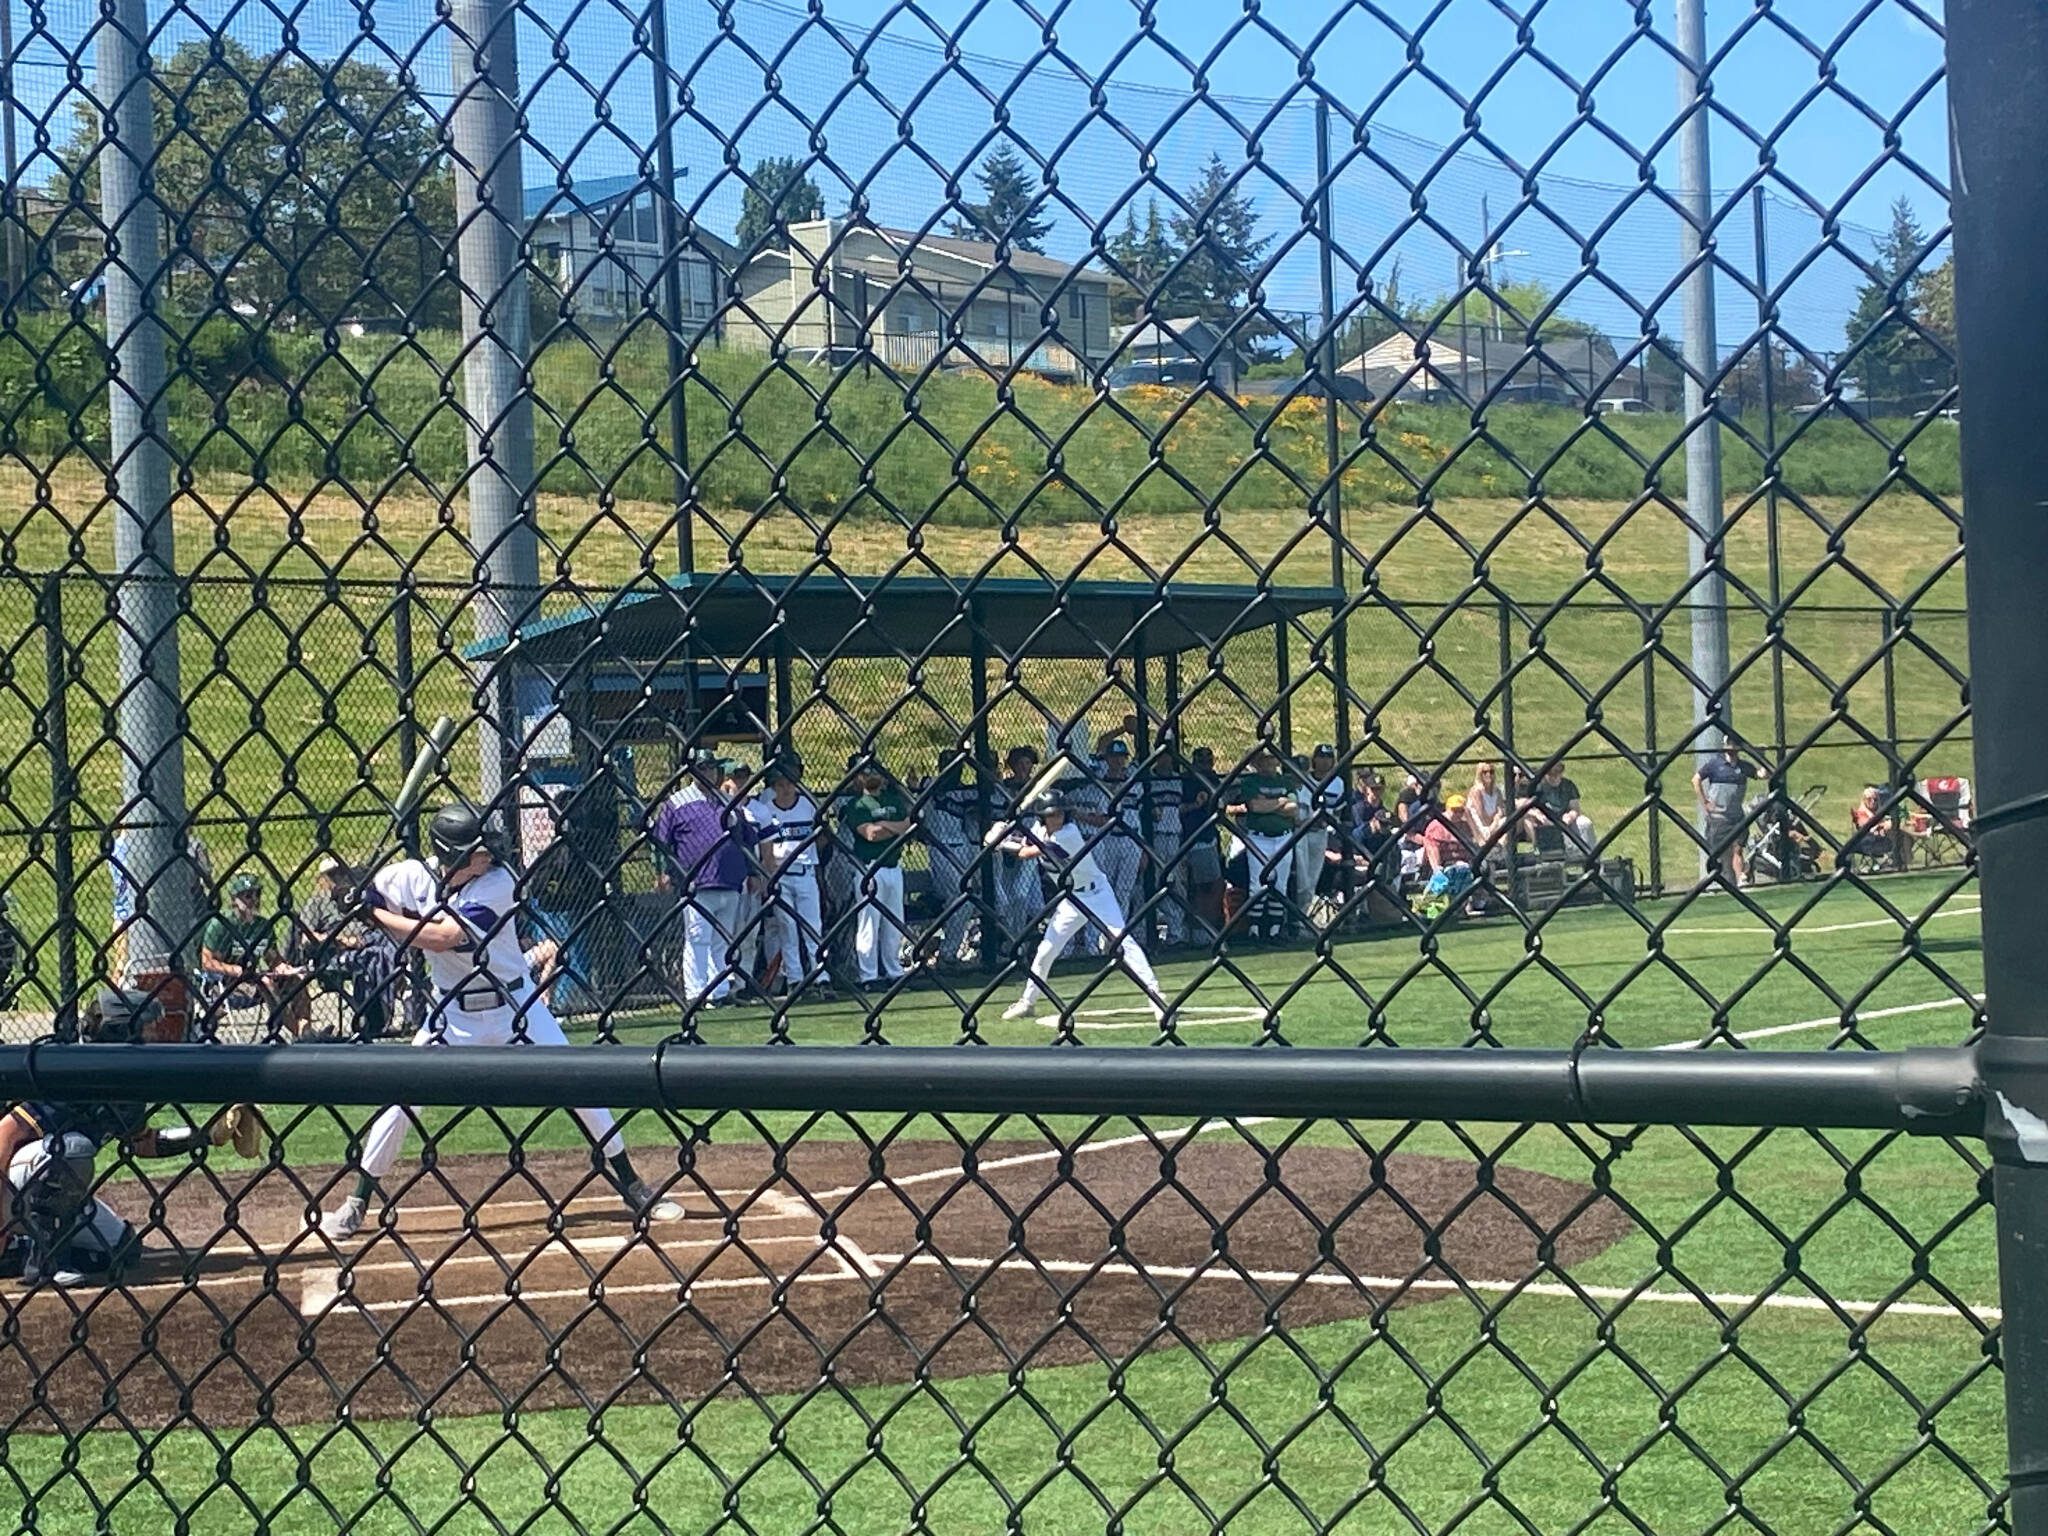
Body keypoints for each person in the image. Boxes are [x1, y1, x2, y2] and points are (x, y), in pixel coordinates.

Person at [319, 805, 684, 1240]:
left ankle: (632, 1184)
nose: (489, 855)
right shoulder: (412, 876)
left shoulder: (499, 883)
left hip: (516, 1007)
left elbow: (442, 938)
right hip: (449, 1015)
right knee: (401, 1101)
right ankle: (358, 1200)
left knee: (580, 1083)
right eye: (477, 851)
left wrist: (372, 914)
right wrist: (357, 894)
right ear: (449, 856)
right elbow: (366, 888)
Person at [0, 988, 260, 1285]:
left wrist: (205, 1136)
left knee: (121, 1249)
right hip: (10, 1179)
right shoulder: (76, 1072)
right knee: (72, 1149)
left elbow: (143, 1143)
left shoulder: (126, 1087)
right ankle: (45, 1263)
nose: (154, 1036)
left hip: (44, 1187)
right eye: (146, 1028)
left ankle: (18, 1251)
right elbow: (4, 1134)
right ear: (120, 1031)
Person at [992, 793, 1167, 1025]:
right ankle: (1028, 1001)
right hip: (1071, 898)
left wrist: (1002, 841)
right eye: (1052, 815)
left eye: (1061, 814)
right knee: (1046, 950)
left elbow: (1028, 852)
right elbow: (1027, 841)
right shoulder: (1039, 828)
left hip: (1097, 894)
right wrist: (1010, 832)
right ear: (1043, 817)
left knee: (1122, 940)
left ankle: (1155, 995)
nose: (1058, 818)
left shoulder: (1069, 834)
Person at [651, 752, 757, 1011]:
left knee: (722, 939)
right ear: (691, 771)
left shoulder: (726, 800)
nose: (708, 772)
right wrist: (663, 871)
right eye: (703, 768)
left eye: (711, 768)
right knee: (698, 938)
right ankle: (696, 992)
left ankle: (718, 990)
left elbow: (746, 837)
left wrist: (752, 872)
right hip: (696, 882)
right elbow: (661, 841)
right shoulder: (677, 802)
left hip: (730, 879)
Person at [290, 857, 398, 1040]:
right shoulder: (317, 902)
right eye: (331, 874)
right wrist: (342, 940)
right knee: (372, 956)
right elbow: (306, 939)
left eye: (340, 872)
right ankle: (370, 1017)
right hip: (333, 953)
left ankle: (383, 1012)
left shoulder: (353, 896)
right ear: (322, 879)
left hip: (366, 943)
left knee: (388, 947)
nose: (337, 877)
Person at [746, 755, 825, 997]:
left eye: (789, 782)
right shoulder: (767, 811)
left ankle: (821, 976)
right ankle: (795, 978)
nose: (785, 787)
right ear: (773, 787)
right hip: (779, 874)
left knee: (813, 925)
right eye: (780, 784)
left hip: (805, 871)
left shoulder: (808, 805)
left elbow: (821, 837)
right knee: (787, 928)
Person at [198, 873, 312, 1039]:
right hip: (227, 983)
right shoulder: (221, 925)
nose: (253, 900)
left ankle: (307, 1030)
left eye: (257, 894)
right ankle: (303, 1037)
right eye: (247, 896)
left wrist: (288, 970)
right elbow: (207, 962)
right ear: (233, 900)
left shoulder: (262, 925)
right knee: (267, 983)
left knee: (297, 981)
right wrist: (236, 970)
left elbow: (273, 960)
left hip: (254, 979)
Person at [841, 756, 915, 991]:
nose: (872, 777)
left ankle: (893, 971)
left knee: (894, 922)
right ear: (858, 778)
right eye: (866, 773)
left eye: (875, 772)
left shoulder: (893, 800)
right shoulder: (857, 805)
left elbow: (908, 826)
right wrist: (894, 827)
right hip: (869, 868)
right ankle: (869, 976)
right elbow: (870, 834)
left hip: (894, 867)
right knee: (869, 923)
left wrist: (887, 825)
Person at [1225, 743, 1298, 942]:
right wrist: (1280, 802)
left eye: (1270, 759)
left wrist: (1269, 804)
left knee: (1280, 885)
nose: (1267, 764)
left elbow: (1293, 808)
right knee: (1257, 885)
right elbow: (1254, 806)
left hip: (1283, 836)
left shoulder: (1286, 781)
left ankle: (1275, 930)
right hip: (1259, 838)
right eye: (1263, 760)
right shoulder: (1251, 782)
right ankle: (1255, 930)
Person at [921, 750, 982, 971]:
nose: (953, 771)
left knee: (976, 897)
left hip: (964, 847)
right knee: (961, 899)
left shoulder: (963, 791)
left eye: (957, 766)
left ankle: (975, 947)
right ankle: (946, 954)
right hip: (941, 848)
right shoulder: (930, 784)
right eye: (949, 766)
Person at [994, 746, 1046, 955]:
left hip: (1032, 844)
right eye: (1020, 764)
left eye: (1027, 764)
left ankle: (1019, 941)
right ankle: (1013, 939)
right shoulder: (1005, 788)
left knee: (1023, 897)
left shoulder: (1038, 789)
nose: (1024, 768)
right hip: (1009, 845)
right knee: (1012, 896)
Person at [1292, 744, 1347, 932]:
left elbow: (1339, 810)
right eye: (1321, 757)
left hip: (1321, 834)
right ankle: (1298, 920)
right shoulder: (1304, 781)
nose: (1324, 761)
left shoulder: (1338, 783)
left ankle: (1303, 920)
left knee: (1312, 879)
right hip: (1301, 834)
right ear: (1314, 759)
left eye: (1328, 757)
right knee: (1302, 880)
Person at [1694, 740, 1763, 880]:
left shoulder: (1743, 767)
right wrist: (1705, 802)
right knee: (1720, 855)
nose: (1731, 747)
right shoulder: (1715, 764)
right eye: (1729, 744)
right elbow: (1696, 780)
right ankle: (1722, 881)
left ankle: (1740, 879)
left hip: (1737, 818)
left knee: (1738, 849)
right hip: (1718, 819)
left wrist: (1762, 757)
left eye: (1734, 744)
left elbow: (1762, 775)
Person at [1143, 741, 1186, 947]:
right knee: (1158, 880)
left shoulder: (1177, 778)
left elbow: (1178, 807)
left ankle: (1177, 932)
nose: (1166, 760)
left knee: (1175, 883)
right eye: (1162, 756)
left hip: (1174, 835)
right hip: (1157, 836)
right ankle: (1158, 927)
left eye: (1169, 756)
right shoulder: (1149, 778)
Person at [1181, 747, 1225, 944]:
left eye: (1209, 760)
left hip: (1209, 836)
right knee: (1204, 886)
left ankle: (1206, 925)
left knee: (1212, 884)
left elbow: (1221, 806)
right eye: (1201, 761)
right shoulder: (1188, 781)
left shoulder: (1213, 779)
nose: (1206, 764)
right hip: (1195, 837)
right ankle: (1200, 928)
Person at [1529, 760, 1595, 858]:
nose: (1555, 777)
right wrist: (1539, 815)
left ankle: (1592, 856)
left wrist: (1570, 816)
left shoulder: (1568, 785)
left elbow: (1575, 808)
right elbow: (1529, 807)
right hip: (1546, 821)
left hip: (1565, 819)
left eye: (1558, 773)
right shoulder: (1538, 787)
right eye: (1551, 774)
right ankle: (1559, 855)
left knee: (1585, 823)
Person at [1463, 762, 1509, 858]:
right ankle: (1496, 851)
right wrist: (1495, 819)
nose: (1489, 775)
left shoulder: (1497, 791)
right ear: (1480, 774)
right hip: (1481, 827)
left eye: (1491, 772)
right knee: (1501, 825)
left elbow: (1501, 810)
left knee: (1508, 821)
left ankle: (1499, 849)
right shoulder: (1476, 791)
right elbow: (1482, 815)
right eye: (1485, 772)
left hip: (1494, 825)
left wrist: (1496, 820)